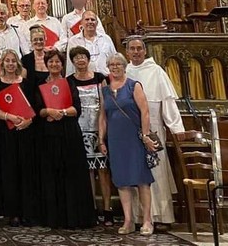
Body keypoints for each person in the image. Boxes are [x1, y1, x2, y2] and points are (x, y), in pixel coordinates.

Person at [126, 37, 185, 228]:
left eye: (139, 49)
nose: (135, 52)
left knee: (156, 171)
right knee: (137, 171)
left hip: (154, 128)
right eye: (132, 49)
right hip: (131, 129)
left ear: (145, 51)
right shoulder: (124, 71)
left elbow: (167, 101)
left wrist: (176, 126)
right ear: (127, 52)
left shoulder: (156, 71)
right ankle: (140, 217)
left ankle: (162, 216)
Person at [35, 50, 96, 228]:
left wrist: (60, 112)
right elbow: (38, 109)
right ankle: (55, 217)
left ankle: (74, 217)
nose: (54, 65)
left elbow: (76, 108)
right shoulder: (40, 84)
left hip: (69, 133)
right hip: (48, 135)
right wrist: (48, 112)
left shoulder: (69, 82)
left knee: (71, 174)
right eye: (51, 62)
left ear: (62, 65)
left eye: (57, 62)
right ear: (46, 64)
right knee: (51, 174)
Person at [99, 53, 158, 235]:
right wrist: (101, 139)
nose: (115, 67)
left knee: (141, 179)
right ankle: (128, 220)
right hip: (116, 140)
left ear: (125, 66)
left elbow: (145, 112)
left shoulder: (134, 85)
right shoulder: (105, 90)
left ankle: (147, 221)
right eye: (111, 65)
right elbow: (103, 116)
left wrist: (146, 136)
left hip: (134, 138)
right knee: (122, 181)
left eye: (118, 64)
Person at [0, 50, 39, 226]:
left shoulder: (26, 83)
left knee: (26, 170)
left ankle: (28, 211)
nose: (10, 64)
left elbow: (36, 106)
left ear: (17, 64)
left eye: (13, 61)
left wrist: (28, 121)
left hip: (25, 132)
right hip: (5, 133)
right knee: (9, 171)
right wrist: (8, 117)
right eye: (7, 61)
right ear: (2, 64)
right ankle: (13, 213)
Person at [68, 46, 114, 226]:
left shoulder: (99, 78)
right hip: (79, 129)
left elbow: (105, 104)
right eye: (76, 58)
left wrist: (102, 133)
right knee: (87, 171)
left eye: (83, 57)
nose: (80, 60)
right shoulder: (69, 80)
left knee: (103, 170)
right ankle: (92, 208)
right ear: (72, 62)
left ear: (88, 59)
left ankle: (108, 209)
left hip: (98, 128)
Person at [66, 10, 116, 76]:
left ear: (97, 23)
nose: (90, 22)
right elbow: (70, 65)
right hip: (84, 80)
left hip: (106, 78)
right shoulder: (73, 41)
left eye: (92, 20)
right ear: (81, 22)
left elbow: (114, 59)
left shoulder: (106, 39)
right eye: (87, 19)